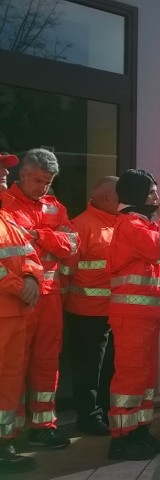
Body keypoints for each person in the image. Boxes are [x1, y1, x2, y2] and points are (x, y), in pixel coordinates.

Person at [2, 148, 79, 449]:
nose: (42, 188)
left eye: (47, 182)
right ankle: (10, 430)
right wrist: (49, 238)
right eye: (37, 181)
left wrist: (40, 235)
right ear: (21, 175)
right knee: (13, 364)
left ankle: (43, 425)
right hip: (18, 297)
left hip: (50, 296)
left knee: (47, 362)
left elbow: (72, 244)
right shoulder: (5, 204)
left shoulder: (53, 205)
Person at [107, 169, 160, 460]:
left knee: (144, 378)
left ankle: (139, 430)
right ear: (136, 195)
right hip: (132, 317)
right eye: (151, 192)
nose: (156, 198)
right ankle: (122, 439)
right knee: (130, 378)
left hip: (145, 317)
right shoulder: (131, 225)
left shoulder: (142, 224)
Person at [61, 176, 119, 437]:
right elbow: (66, 272)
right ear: (107, 198)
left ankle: (105, 411)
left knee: (110, 366)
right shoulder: (80, 227)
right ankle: (88, 416)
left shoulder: (120, 224)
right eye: (121, 196)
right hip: (85, 313)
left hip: (114, 311)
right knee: (88, 368)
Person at [0, 152, 43, 474]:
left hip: (15, 314)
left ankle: (5, 442)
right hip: (9, 308)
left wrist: (31, 277)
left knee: (9, 382)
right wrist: (21, 285)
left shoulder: (7, 218)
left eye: (4, 170)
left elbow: (30, 253)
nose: (4, 174)